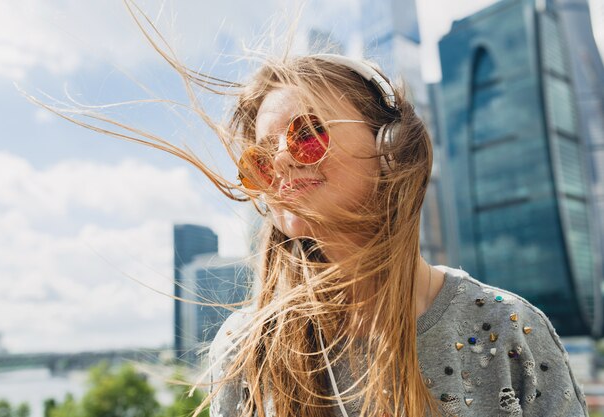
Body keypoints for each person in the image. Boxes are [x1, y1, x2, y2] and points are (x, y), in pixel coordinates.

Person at [201, 54, 589, 417]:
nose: (281, 162)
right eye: (261, 161)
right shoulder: (246, 345)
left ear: (390, 143)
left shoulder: (509, 326)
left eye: (307, 133)